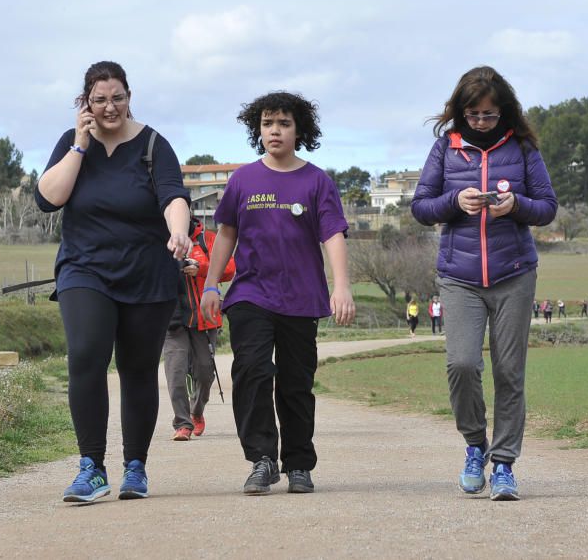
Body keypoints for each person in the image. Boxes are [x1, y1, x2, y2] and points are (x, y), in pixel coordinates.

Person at [35, 60, 192, 504]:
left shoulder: (153, 144)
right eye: (99, 100)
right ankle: (91, 467)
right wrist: (80, 144)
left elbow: (173, 195)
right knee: (85, 355)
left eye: (117, 98)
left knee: (138, 369)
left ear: (129, 97)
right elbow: (49, 198)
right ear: (85, 102)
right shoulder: (71, 143)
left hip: (147, 271)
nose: (110, 107)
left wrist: (178, 230)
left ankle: (135, 467)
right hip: (84, 268)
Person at [410, 66, 557, 501]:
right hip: (459, 277)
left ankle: (505, 464)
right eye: (472, 114)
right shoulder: (445, 149)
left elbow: (547, 207)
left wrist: (515, 205)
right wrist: (455, 201)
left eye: (489, 115)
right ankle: (475, 445)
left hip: (514, 275)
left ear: (504, 111)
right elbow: (421, 207)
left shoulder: (524, 148)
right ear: (460, 111)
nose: (479, 122)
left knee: (509, 373)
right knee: (462, 365)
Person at [201, 91, 355, 496]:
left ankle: (299, 464)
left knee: (295, 383)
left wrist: (341, 286)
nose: (275, 130)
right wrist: (211, 284)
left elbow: (333, 235)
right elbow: (226, 235)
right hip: (251, 293)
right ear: (258, 130)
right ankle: (262, 459)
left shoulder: (317, 181)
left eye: (284, 123)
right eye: (268, 123)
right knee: (251, 370)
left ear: (298, 130)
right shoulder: (243, 180)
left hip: (301, 298)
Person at [163, 217, 235, 441]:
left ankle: (196, 412)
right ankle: (182, 423)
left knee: (204, 371)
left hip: (204, 319)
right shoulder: (158, 240)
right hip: (172, 320)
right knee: (175, 372)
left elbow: (230, 269)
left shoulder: (207, 239)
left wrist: (201, 268)